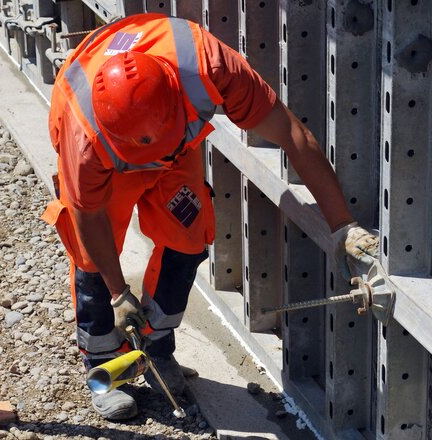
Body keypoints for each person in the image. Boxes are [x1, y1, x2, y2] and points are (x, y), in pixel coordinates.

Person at [41, 13, 379, 420]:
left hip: (174, 147)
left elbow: (293, 135)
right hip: (110, 153)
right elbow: (88, 217)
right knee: (92, 256)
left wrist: (343, 226)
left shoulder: (210, 67)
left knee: (187, 237)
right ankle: (102, 367)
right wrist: (118, 293)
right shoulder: (85, 136)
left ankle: (154, 350)